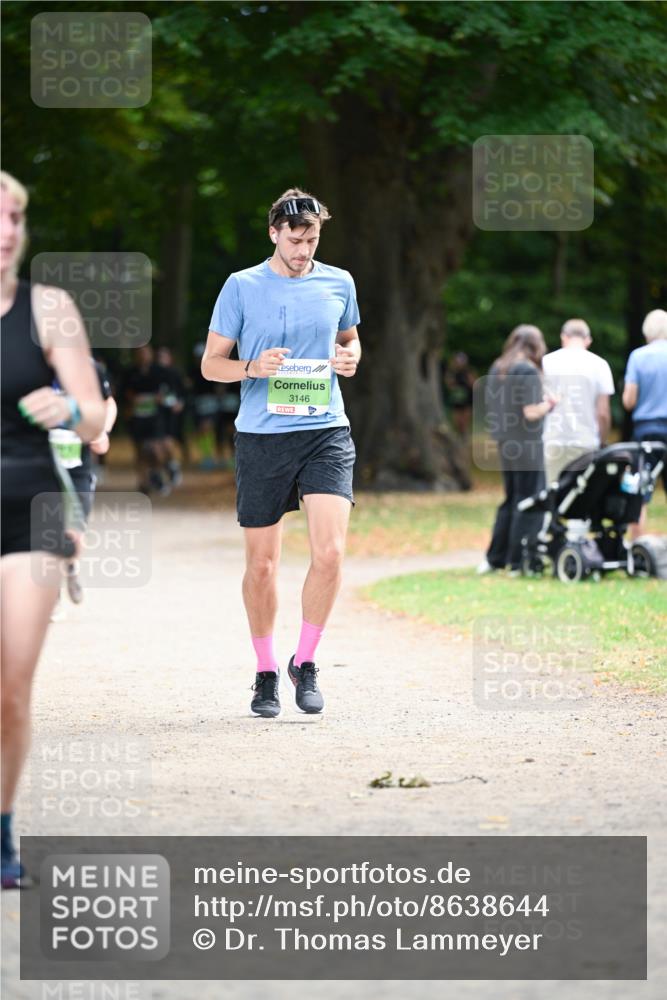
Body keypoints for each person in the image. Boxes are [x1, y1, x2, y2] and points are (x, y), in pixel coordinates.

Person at [202, 188, 361, 718]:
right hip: (262, 436)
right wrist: (252, 367)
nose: (303, 250)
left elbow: (351, 340)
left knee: (331, 552)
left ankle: (305, 663)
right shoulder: (242, 287)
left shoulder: (338, 281)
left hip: (325, 429)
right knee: (263, 565)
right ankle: (266, 670)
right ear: (274, 233)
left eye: (312, 239)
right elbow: (210, 364)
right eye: (294, 240)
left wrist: (347, 359)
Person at [1, 171, 105, 888]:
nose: (7, 231)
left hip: (27, 508)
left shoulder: (50, 309)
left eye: (14, 217)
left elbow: (97, 419)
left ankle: (2, 829)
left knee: (11, 684)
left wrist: (67, 408)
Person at [478, 324, 556, 575]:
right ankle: (518, 561)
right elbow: (531, 412)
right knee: (529, 500)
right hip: (528, 444)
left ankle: (494, 558)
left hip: (505, 442)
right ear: (536, 346)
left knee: (511, 499)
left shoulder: (499, 367)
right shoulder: (527, 370)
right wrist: (550, 404)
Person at [542, 318, 615, 485]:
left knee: (550, 495)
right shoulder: (600, 365)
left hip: (553, 439)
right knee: (582, 498)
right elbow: (603, 412)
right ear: (588, 340)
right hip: (586, 441)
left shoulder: (546, 362)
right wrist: (602, 441)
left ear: (563, 337)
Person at [622, 308, 667, 539]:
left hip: (647, 431)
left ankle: (638, 547)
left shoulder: (638, 356)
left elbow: (629, 401)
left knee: (639, 488)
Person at [122, 345, 170, 495]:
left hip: (154, 417)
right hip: (137, 418)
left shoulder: (159, 371)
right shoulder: (130, 373)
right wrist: (132, 400)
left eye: (145, 352)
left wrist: (159, 398)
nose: (143, 355)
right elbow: (123, 392)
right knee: (140, 451)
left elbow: (167, 391)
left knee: (155, 449)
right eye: (139, 353)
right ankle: (143, 482)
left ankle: (157, 474)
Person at [155, 346, 185, 485]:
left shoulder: (175, 373)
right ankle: (166, 468)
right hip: (157, 413)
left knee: (169, 441)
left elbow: (183, 392)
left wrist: (180, 403)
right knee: (159, 443)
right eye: (159, 356)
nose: (162, 359)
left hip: (172, 413)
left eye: (164, 356)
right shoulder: (153, 374)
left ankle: (173, 466)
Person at [444, 351, 475, 438]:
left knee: (464, 423)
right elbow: (449, 385)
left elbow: (474, 384)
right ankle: (460, 439)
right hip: (456, 400)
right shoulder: (452, 373)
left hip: (467, 401)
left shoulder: (468, 372)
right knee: (457, 423)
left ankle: (465, 439)